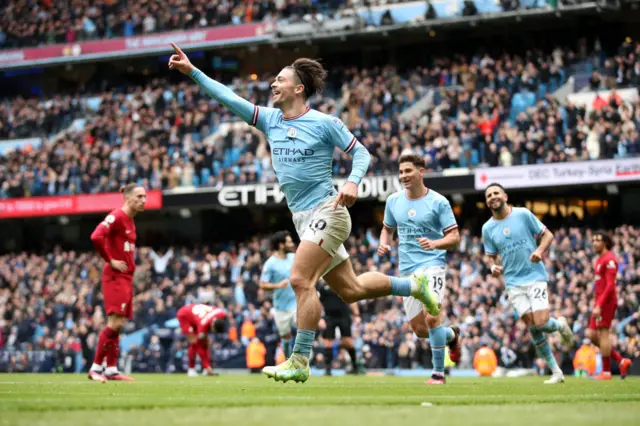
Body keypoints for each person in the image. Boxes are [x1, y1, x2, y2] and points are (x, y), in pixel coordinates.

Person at [168, 43, 439, 383]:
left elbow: (362, 154)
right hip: (302, 218)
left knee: (299, 280)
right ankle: (414, 285)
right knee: (352, 289)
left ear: (298, 88)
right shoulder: (270, 119)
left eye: (279, 80)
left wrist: (353, 182)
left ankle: (299, 359)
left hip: (329, 208)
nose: (273, 84)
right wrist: (192, 71)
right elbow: (227, 98)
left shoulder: (325, 122)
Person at [378, 153, 461, 385]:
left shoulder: (438, 202)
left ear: (421, 172)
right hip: (407, 269)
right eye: (401, 171)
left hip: (432, 265)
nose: (404, 175)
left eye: (408, 171)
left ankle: (438, 374)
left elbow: (454, 236)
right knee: (420, 329)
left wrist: (435, 243)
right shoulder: (393, 201)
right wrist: (384, 242)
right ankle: (452, 335)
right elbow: (387, 229)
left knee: (432, 318)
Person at [481, 183, 574, 384]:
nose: (493, 197)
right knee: (532, 327)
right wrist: (492, 267)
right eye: (489, 195)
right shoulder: (487, 228)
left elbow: (548, 235)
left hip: (534, 277)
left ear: (505, 196)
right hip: (513, 284)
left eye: (496, 193)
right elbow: (490, 256)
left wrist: (539, 251)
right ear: (487, 202)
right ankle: (556, 372)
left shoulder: (522, 214)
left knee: (541, 322)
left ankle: (559, 325)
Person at [88, 183, 147, 382]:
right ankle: (96, 368)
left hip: (126, 277)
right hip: (115, 276)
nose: (143, 200)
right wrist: (110, 259)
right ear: (128, 198)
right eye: (139, 196)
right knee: (114, 323)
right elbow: (96, 236)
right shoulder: (118, 216)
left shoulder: (130, 220)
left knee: (119, 324)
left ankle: (111, 369)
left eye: (145, 197)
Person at [587, 230, 632, 380]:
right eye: (593, 240)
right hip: (599, 301)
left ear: (606, 242)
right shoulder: (599, 259)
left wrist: (599, 304)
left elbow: (610, 286)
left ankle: (606, 372)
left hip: (606, 302)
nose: (594, 243)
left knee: (604, 334)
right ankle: (621, 360)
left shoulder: (610, 259)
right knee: (592, 335)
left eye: (598, 240)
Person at [259, 231, 297, 358]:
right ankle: (288, 361)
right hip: (281, 306)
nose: (292, 244)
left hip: (297, 303)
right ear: (281, 245)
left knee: (304, 330)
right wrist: (278, 285)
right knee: (285, 336)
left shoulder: (294, 257)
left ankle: (305, 360)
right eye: (289, 242)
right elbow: (263, 284)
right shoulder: (270, 264)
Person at [317, 280, 363, 376]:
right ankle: (328, 370)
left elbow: (352, 300)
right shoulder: (322, 287)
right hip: (329, 317)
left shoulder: (342, 284)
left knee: (348, 342)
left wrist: (356, 314)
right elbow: (318, 303)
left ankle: (355, 366)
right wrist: (319, 318)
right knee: (328, 343)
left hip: (344, 317)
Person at [176, 304, 228, 377]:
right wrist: (207, 365)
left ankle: (205, 369)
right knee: (194, 342)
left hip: (195, 315)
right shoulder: (203, 325)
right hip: (184, 315)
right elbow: (199, 345)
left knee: (205, 343)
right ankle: (191, 369)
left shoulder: (221, 314)